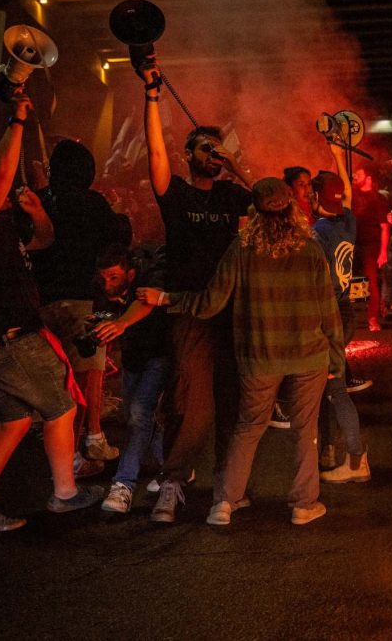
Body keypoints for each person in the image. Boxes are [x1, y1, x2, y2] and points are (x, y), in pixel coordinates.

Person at [139, 178, 338, 526]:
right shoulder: (310, 249)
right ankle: (304, 505)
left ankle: (224, 504)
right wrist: (337, 356)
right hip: (309, 357)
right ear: (292, 207)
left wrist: (167, 297)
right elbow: (329, 311)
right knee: (305, 430)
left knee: (248, 428)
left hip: (260, 359)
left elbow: (211, 303)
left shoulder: (242, 249)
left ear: (254, 212)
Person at [0, 91, 102, 531]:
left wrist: (37, 211)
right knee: (60, 407)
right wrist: (16, 120)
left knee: (13, 423)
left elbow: (43, 241)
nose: (4, 190)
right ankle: (65, 493)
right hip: (7, 336)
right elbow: (2, 170)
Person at [141, 59, 253, 523]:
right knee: (194, 401)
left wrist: (236, 162)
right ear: (188, 155)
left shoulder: (232, 195)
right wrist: (152, 97)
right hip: (189, 311)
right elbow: (154, 156)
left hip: (234, 309)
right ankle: (171, 482)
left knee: (236, 400)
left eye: (216, 149)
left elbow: (271, 200)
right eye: (204, 149)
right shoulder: (179, 195)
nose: (212, 154)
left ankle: (228, 488)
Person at [30, 139, 133, 473]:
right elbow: (118, 239)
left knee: (66, 378)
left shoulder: (41, 200)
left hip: (42, 304)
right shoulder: (91, 202)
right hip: (82, 302)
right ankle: (78, 454)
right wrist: (119, 215)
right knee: (86, 375)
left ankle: (92, 439)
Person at [90, 244, 171, 513]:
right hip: (133, 360)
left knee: (139, 414)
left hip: (158, 356)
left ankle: (123, 485)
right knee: (140, 418)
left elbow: (144, 304)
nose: (107, 283)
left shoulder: (148, 282)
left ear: (131, 274)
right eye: (103, 278)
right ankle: (174, 468)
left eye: (114, 277)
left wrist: (121, 322)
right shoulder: (103, 292)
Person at [311, 172, 370, 482]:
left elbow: (316, 283)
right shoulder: (348, 221)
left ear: (316, 197)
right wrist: (336, 152)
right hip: (346, 312)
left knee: (333, 389)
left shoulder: (318, 233)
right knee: (325, 388)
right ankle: (329, 449)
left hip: (329, 316)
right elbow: (346, 198)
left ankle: (356, 459)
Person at [350, 166, 390, 332]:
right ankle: (349, 318)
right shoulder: (353, 194)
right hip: (353, 243)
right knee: (349, 281)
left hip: (371, 245)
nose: (355, 177)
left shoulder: (378, 199)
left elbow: (385, 227)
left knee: (371, 281)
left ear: (368, 179)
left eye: (358, 174)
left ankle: (373, 318)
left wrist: (383, 251)